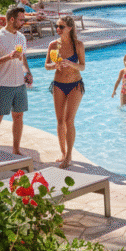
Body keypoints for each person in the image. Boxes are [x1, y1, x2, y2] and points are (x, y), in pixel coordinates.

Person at [0, 6, 33, 155]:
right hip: (2, 84)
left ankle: (16, 150)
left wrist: (28, 72)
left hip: (19, 84)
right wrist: (8, 57)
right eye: (21, 19)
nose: (23, 22)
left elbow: (23, 57)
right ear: (11, 19)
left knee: (18, 117)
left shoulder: (21, 37)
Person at [45, 16, 85, 168]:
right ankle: (63, 152)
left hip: (75, 85)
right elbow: (46, 65)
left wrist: (71, 64)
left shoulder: (78, 45)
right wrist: (54, 66)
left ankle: (68, 156)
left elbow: (82, 67)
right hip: (58, 84)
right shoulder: (53, 45)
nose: (58, 29)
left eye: (61, 26)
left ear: (69, 28)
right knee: (60, 121)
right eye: (57, 26)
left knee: (69, 120)